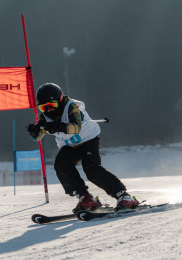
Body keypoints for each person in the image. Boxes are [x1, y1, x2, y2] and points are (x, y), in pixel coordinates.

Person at [26, 83, 139, 212]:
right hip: (70, 145)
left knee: (91, 169)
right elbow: (37, 137)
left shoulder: (71, 106)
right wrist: (33, 132)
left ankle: (123, 195)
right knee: (61, 164)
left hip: (88, 139)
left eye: (52, 105)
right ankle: (84, 197)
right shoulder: (45, 115)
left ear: (60, 99)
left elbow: (76, 127)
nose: (49, 110)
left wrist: (58, 127)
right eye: (44, 107)